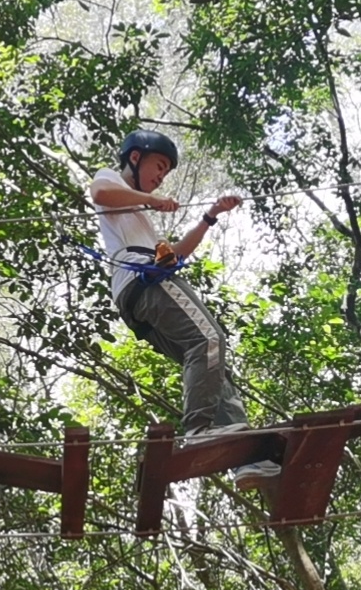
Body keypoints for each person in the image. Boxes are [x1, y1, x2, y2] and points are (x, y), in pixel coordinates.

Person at [89, 129, 280, 484]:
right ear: (135, 157)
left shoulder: (140, 220)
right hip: (142, 279)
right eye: (159, 166)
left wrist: (210, 215)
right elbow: (99, 192)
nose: (161, 176)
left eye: (165, 171)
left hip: (138, 292)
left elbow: (176, 254)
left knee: (211, 365)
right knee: (209, 340)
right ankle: (198, 431)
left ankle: (244, 458)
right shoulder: (112, 179)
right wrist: (151, 199)